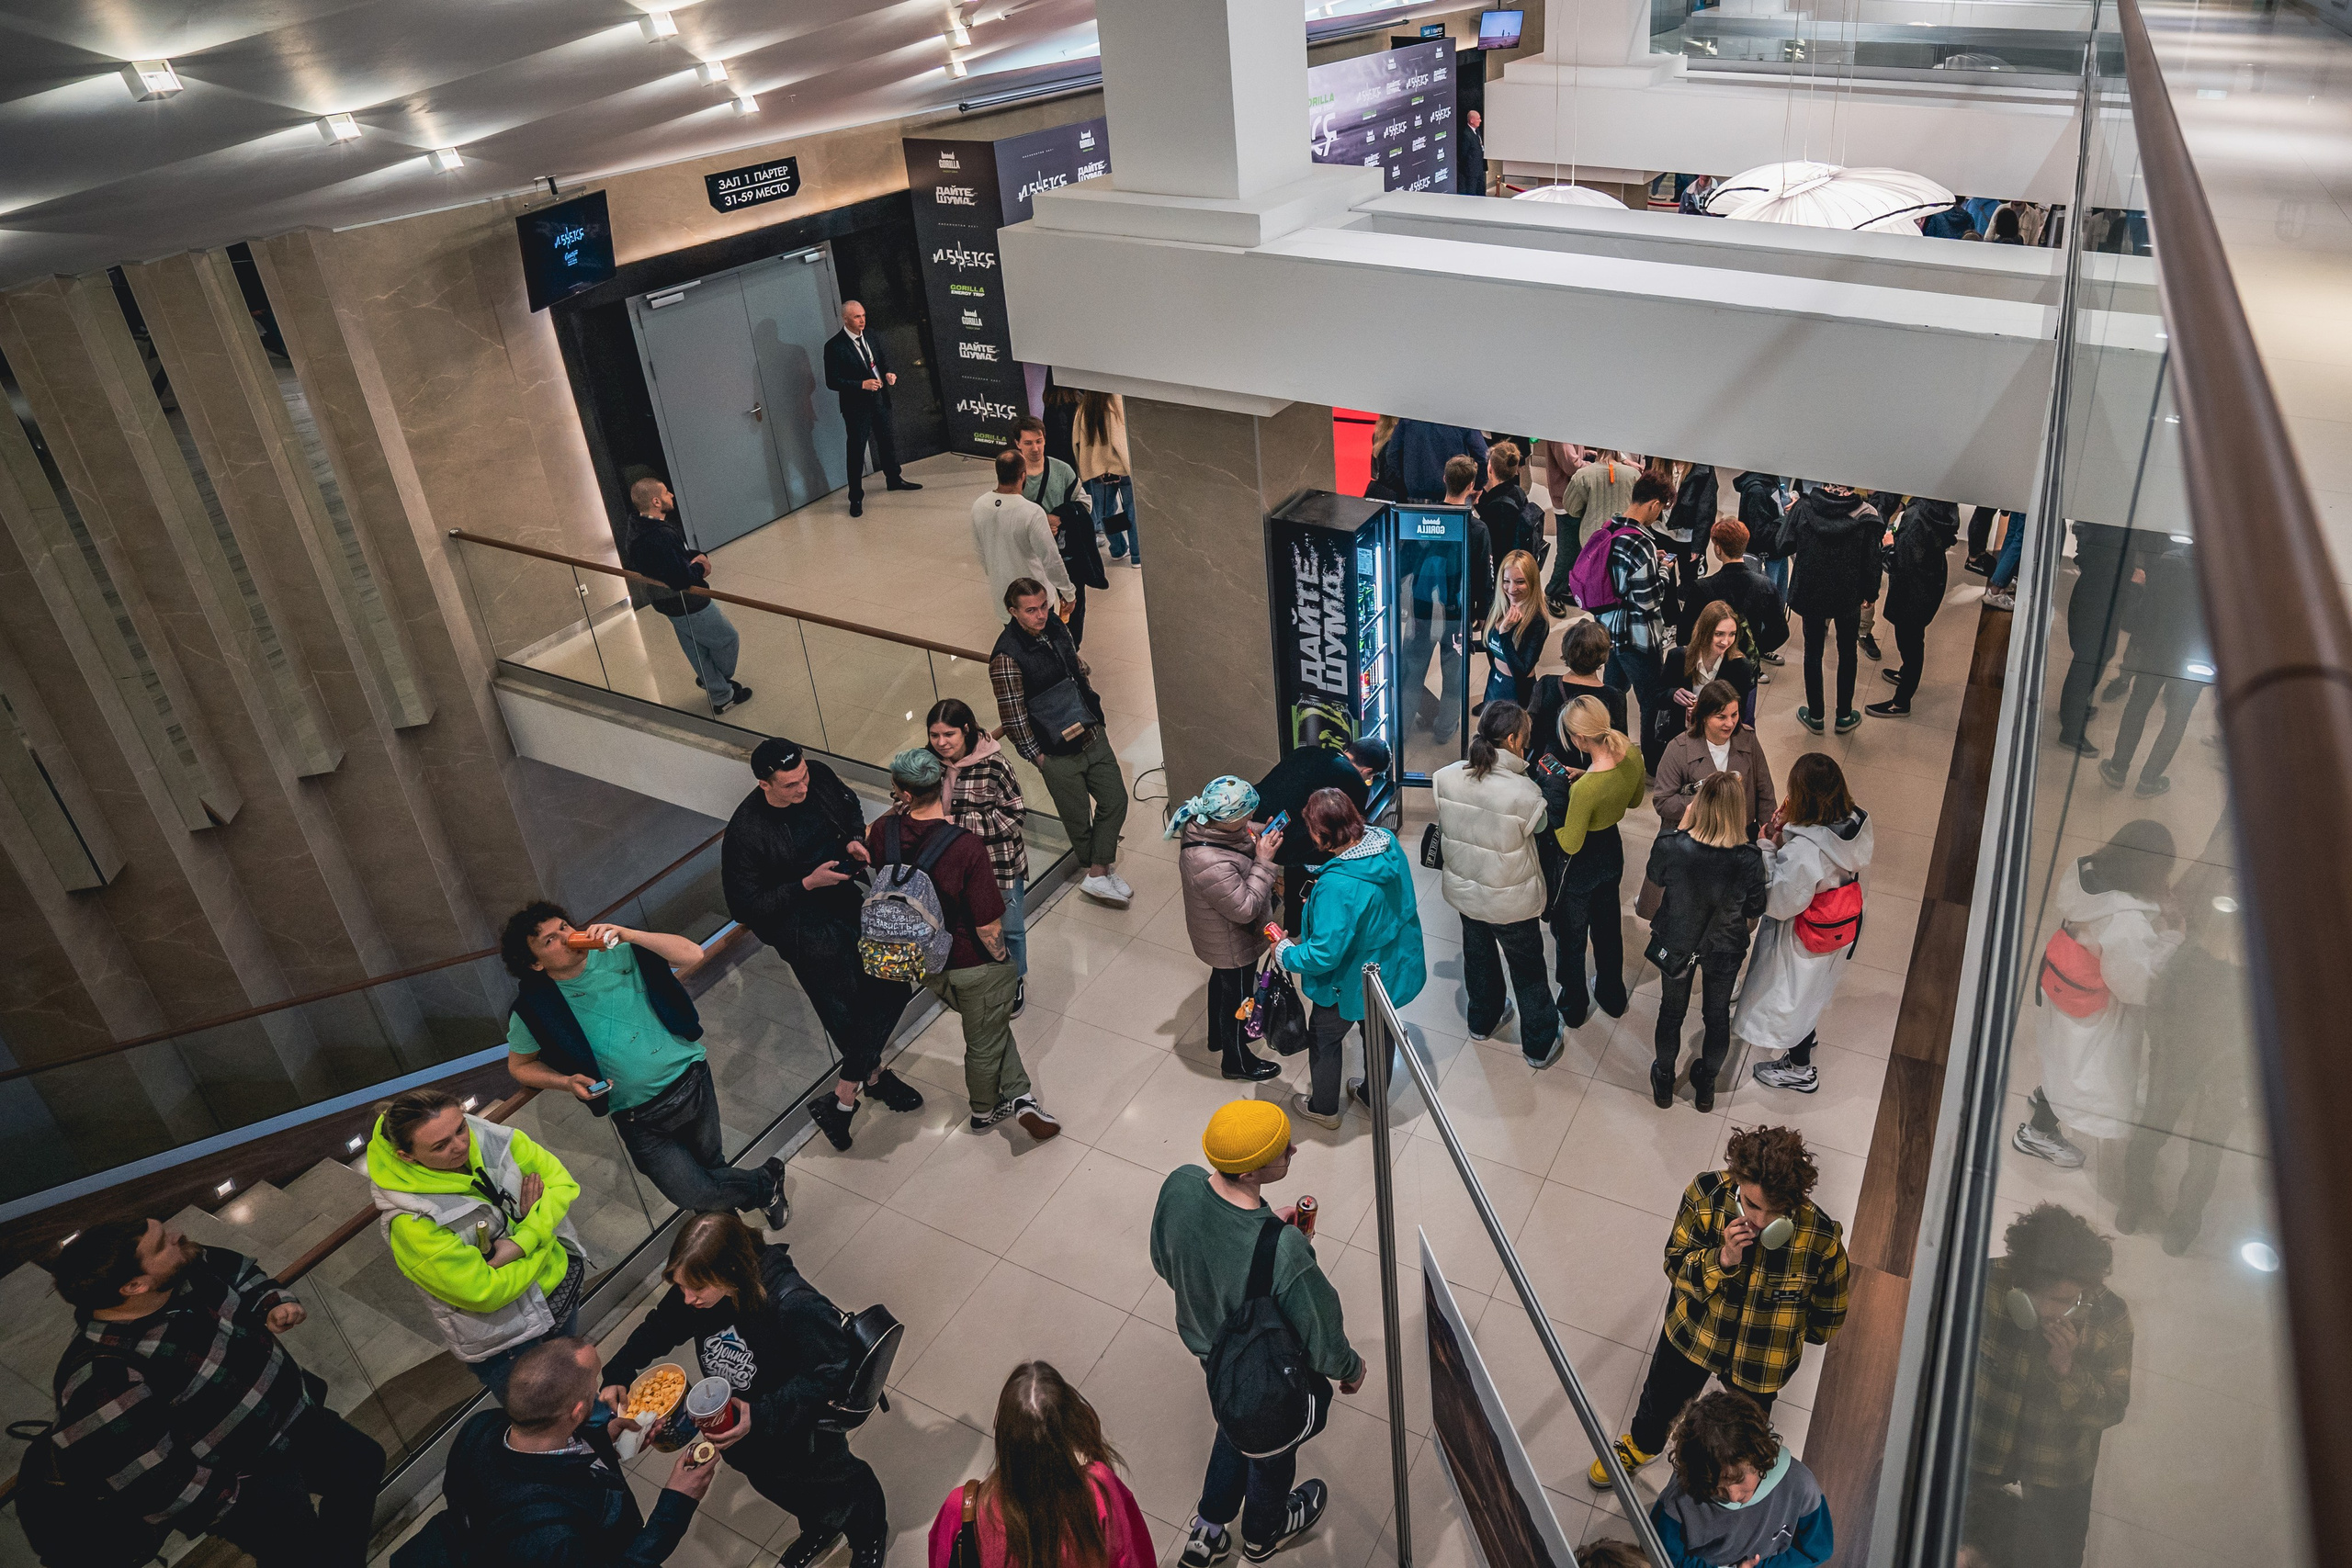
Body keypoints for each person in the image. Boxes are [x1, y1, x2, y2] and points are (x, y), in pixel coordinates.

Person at [46, 1219, 385, 1567]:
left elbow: (241, 1273)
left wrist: (271, 1302)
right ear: (134, 1286)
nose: (178, 1234)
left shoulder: (190, 1266)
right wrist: (239, 1497)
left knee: (363, 1463)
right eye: (162, 1244)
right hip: (251, 1482)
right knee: (299, 1556)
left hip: (298, 1422)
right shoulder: (101, 1377)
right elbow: (148, 1481)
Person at [603, 1214, 887, 1568]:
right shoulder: (697, 1291)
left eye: (697, 1289)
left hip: (798, 1429)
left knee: (836, 1481)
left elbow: (831, 1371)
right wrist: (618, 1370)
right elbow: (661, 1326)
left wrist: (761, 1413)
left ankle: (870, 1532)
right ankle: (820, 1528)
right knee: (779, 1486)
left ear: (732, 1272)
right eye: (680, 1287)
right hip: (744, 1435)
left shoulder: (791, 1302)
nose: (687, 1298)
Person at [1151, 1101, 1364, 1565]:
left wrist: (1265, 1225)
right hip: (1268, 1375)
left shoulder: (1180, 1186)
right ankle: (1262, 1535)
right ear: (1249, 1172)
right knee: (1270, 1453)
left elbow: (1164, 1261)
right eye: (1280, 1150)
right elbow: (1322, 1333)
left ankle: (1208, 1528)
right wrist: (1351, 1368)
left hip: (1212, 1359)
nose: (1292, 1149)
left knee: (1234, 1424)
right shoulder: (1285, 1251)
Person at [502, 902, 789, 1228]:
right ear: (535, 963)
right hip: (637, 1116)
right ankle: (765, 1185)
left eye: (564, 927)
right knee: (692, 1192)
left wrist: (629, 934)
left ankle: (738, 1255)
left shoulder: (621, 950)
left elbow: (692, 955)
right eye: (549, 940)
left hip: (690, 1080)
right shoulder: (533, 1006)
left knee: (712, 1172)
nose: (566, 937)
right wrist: (566, 1082)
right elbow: (520, 1066)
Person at [1589, 1127, 1849, 1485]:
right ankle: (1642, 1446)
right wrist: (1723, 1258)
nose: (1760, 1222)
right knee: (1661, 1398)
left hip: (1759, 1362)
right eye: (1754, 1205)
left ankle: (1732, 1479)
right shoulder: (1706, 1197)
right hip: (1692, 1334)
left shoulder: (1820, 1238)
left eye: (1775, 1212)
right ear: (1738, 1181)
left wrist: (1789, 1340)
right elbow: (1675, 1265)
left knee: (1746, 1432)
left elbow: (1829, 1313)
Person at [723, 737, 923, 1151]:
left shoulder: (820, 778)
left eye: (804, 777)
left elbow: (848, 807)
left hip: (843, 897)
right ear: (765, 784)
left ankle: (843, 1096)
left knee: (892, 984)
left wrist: (853, 838)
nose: (802, 788)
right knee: (844, 1004)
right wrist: (806, 884)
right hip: (800, 925)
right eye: (791, 785)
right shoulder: (747, 831)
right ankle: (873, 1077)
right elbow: (745, 906)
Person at [869, 747, 1061, 1140]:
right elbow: (989, 925)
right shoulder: (964, 846)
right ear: (942, 786)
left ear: (901, 792)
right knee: (982, 1038)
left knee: (988, 1027)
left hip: (918, 959)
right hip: (970, 962)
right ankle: (984, 1110)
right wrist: (1002, 962)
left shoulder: (881, 832)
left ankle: (1021, 1097)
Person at [434, 1336, 735, 1566]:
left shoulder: (481, 1425)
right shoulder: (551, 1538)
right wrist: (676, 1501)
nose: (598, 1390)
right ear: (577, 1412)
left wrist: (603, 1442)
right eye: (593, 1384)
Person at [366, 1087, 587, 1399]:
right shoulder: (411, 1223)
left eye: (460, 1128)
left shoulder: (489, 1136)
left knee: (579, 1393)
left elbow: (561, 1183)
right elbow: (485, 1291)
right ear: (407, 1156)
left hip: (560, 1291)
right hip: (511, 1339)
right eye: (441, 1146)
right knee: (548, 1418)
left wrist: (522, 1241)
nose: (461, 1146)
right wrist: (541, 1232)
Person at [1963, 1205, 2132, 1568]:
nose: (2069, 1310)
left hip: (2058, 1462)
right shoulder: (1983, 1283)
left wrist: (2067, 1371)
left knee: (2059, 1558)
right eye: (2057, 1300)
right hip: (1981, 1444)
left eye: (2077, 1299)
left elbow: (2113, 1409)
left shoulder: (2108, 1316)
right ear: (2022, 1288)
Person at [2015, 820, 2179, 1168]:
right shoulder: (2126, 922)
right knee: (2086, 1077)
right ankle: (2038, 1132)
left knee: (2061, 1057)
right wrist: (2173, 933)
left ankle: (2047, 1095)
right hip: (2091, 1009)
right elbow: (2135, 985)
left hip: (2060, 986)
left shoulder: (2086, 871)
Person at [1274, 787, 1426, 1128]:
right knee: (1380, 1030)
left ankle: (1324, 1108)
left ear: (1323, 834)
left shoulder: (1337, 887)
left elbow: (1324, 954)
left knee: (1325, 1040)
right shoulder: (1385, 841)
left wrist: (1286, 953)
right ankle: (1373, 1097)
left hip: (1346, 984)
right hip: (1388, 970)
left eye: (1312, 829)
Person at [2118, 869, 2243, 1254]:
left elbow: (2158, 1006)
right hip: (2228, 1069)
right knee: (2207, 1150)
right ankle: (2180, 1231)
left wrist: (2164, 1048)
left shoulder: (2190, 955)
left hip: (2176, 1057)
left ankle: (2131, 1208)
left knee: (2152, 1127)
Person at [929, 1362, 1157, 1568]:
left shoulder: (962, 1508)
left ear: (1005, 1437)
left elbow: (942, 1560)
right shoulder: (1099, 1491)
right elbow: (1132, 1558)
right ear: (1069, 1426)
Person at [1432, 701, 1560, 1064]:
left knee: (1478, 958)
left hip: (1465, 891)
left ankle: (1482, 1020)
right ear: (1512, 738)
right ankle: (1539, 1043)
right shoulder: (1524, 793)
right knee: (1528, 971)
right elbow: (1541, 829)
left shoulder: (1446, 776)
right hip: (1510, 902)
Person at [991, 579, 1132, 905]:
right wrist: (1038, 757)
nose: (1040, 615)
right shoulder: (1006, 657)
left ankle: (1097, 871)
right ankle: (1100, 870)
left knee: (1116, 800)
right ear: (1013, 612)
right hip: (1054, 752)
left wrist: (1082, 675)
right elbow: (1013, 716)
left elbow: (1073, 661)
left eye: (1044, 606)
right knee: (1077, 817)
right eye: (1031, 610)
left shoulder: (1055, 625)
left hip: (1091, 732)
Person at [1739, 755, 1872, 1093]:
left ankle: (1799, 1068)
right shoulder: (1854, 821)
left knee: (1792, 996)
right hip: (1840, 922)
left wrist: (1768, 845)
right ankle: (1806, 1035)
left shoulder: (1805, 852)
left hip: (1805, 933)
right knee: (1813, 992)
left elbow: (1780, 902)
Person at [1643, 773, 1769, 1111]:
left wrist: (1682, 829)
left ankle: (1665, 1081)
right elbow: (1756, 907)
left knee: (1671, 1014)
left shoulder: (1672, 845)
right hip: (1725, 947)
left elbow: (1656, 876)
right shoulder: (1750, 858)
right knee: (1716, 1017)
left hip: (1677, 942)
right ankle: (1707, 1088)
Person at [1535, 694, 1645, 1030]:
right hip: (1611, 851)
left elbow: (1570, 842)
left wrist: (1553, 809)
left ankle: (1573, 1004)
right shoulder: (1633, 755)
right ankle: (1612, 994)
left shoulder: (1586, 791)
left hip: (1579, 866)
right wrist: (1588, 774)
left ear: (1579, 739)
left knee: (1571, 937)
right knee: (1608, 928)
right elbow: (1637, 799)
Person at [1171, 775, 1284, 1081]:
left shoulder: (1206, 823)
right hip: (1230, 943)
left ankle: (1217, 1037)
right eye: (1246, 815)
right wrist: (1264, 861)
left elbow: (1239, 838)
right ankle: (1236, 1060)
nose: (1251, 819)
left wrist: (1261, 834)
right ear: (1230, 819)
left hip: (1219, 938)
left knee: (1222, 983)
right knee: (1238, 1000)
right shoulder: (1208, 862)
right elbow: (1245, 909)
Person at [930, 697, 1034, 1014]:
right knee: (963, 927)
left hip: (997, 866)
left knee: (1010, 928)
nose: (941, 742)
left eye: (948, 735)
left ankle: (1014, 979)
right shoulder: (928, 764)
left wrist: (954, 824)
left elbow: (1014, 816)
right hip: (949, 868)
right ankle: (978, 981)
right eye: (935, 735)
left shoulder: (995, 764)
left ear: (966, 730)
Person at [1650, 1391, 1834, 1568]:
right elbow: (1661, 1554)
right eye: (1717, 1488)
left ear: (1759, 1456)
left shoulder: (1800, 1486)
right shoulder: (1681, 1494)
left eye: (1738, 1479)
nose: (1733, 1496)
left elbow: (1816, 1550)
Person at [624, 477, 751, 716]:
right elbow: (680, 578)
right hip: (686, 601)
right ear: (656, 501)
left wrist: (694, 556)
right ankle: (719, 685)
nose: (671, 495)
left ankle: (719, 691)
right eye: (666, 493)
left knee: (695, 646)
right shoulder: (660, 535)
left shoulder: (638, 526)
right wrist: (701, 567)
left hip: (663, 601)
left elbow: (671, 559)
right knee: (727, 639)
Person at [2096, 537, 2206, 795]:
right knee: (2177, 718)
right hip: (2195, 660)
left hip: (2156, 649)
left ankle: (2118, 768)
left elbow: (2147, 610)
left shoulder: (2170, 561)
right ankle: (2149, 781)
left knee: (2138, 705)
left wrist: (2138, 640)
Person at [1401, 455, 1493, 743]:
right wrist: (1482, 610)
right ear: (1471, 486)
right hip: (1458, 611)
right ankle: (1444, 729)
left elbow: (1405, 564)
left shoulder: (1421, 521)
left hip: (1422, 608)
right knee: (1454, 673)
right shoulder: (1476, 528)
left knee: (1413, 668)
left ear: (1444, 480)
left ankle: (1401, 727)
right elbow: (1482, 575)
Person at [1252, 738, 1385, 934]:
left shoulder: (1306, 751)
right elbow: (1348, 830)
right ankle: (1311, 928)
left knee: (1295, 873)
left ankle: (1292, 925)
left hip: (1257, 825)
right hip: (1294, 846)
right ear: (1367, 771)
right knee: (1313, 871)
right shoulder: (1355, 782)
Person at [1783, 483, 1883, 734]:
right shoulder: (1867, 513)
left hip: (1811, 592)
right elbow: (1872, 560)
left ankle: (1816, 716)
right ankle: (1844, 716)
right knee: (1848, 653)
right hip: (1848, 596)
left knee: (1813, 652)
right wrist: (1870, 593)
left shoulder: (1804, 507)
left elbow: (1783, 544)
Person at [2054, 521, 2145, 755]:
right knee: (2090, 657)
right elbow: (2093, 542)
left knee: (2098, 653)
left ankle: (2071, 709)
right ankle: (2071, 731)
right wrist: (2125, 572)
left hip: (2105, 588)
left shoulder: (2111, 512)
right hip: (2100, 590)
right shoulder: (2109, 515)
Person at [823, 299, 920, 517]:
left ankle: (894, 479)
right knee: (856, 451)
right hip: (857, 408)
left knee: (887, 441)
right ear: (845, 319)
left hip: (880, 400)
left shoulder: (872, 335)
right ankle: (855, 497)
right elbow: (832, 381)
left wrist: (888, 373)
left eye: (864, 315)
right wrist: (861, 385)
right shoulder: (834, 346)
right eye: (857, 317)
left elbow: (883, 361)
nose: (862, 320)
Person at [1868, 497, 1961, 716]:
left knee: (1910, 643)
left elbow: (1898, 562)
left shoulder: (1916, 516)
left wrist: (1889, 544)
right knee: (1914, 638)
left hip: (1913, 589)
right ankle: (1905, 674)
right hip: (1930, 580)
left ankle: (1901, 701)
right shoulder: (1944, 509)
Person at [1017, 414, 1105, 647]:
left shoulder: (1062, 470)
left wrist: (1059, 517)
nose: (1035, 448)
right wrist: (1040, 523)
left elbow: (1085, 503)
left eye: (1039, 441)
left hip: (1068, 553)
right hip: (1034, 558)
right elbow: (1009, 514)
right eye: (1028, 443)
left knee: (1074, 604)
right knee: (1039, 605)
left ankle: (1071, 649)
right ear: (1017, 444)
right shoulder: (1014, 475)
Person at [1651, 680, 1774, 837]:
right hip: (1699, 835)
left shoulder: (1748, 738)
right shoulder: (1678, 749)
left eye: (1734, 714)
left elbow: (1765, 791)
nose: (1730, 723)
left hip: (1741, 834)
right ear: (1703, 717)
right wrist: (1710, 802)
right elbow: (1663, 801)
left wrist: (1769, 833)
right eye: (1721, 717)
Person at [973, 448, 1077, 621]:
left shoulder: (979, 505)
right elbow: (1050, 559)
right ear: (1023, 475)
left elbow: (980, 552)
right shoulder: (1032, 512)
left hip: (1004, 599)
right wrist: (1068, 592)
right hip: (1037, 600)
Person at [1678, 519, 1788, 671]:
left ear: (1718, 549)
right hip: (1746, 668)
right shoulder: (1765, 586)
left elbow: (1683, 635)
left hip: (1710, 667)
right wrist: (1755, 648)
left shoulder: (1701, 589)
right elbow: (1780, 632)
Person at [1545, 452, 1647, 610]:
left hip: (1592, 538)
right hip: (1624, 539)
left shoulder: (1583, 475)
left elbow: (1571, 507)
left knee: (1594, 577)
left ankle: (1596, 604)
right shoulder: (1634, 475)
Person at [1657, 602, 1758, 761]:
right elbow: (1657, 697)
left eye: (1732, 634)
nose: (1726, 641)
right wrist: (1673, 694)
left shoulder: (1740, 667)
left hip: (1718, 742)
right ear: (1704, 631)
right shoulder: (1678, 657)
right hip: (1681, 738)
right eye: (1719, 634)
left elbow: (1740, 713)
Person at [1527, 618, 1627, 775]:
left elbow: (1531, 732)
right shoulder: (1614, 697)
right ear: (1604, 655)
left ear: (1565, 650)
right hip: (1591, 772)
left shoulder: (1546, 684)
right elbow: (1619, 746)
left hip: (1549, 767)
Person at [1076, 389, 1139, 565]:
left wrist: (1086, 467)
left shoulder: (1084, 406)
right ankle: (1137, 555)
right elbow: (1120, 439)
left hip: (1097, 470)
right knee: (1133, 511)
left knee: (1105, 513)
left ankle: (1117, 549)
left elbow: (1078, 441)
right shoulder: (1117, 401)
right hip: (1122, 468)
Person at [1480, 548, 1549, 708]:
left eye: (1520, 582)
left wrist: (1505, 633)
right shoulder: (1500, 606)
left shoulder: (1538, 621)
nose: (1511, 589)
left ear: (1532, 582)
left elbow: (1521, 672)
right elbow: (1493, 645)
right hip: (1494, 683)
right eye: (1506, 581)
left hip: (1517, 692)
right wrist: (1469, 645)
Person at [1659, 459, 1719, 623]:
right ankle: (1671, 620)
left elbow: (1707, 509)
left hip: (1687, 538)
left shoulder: (1703, 468)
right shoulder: (1659, 461)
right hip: (1662, 535)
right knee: (1666, 578)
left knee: (1689, 581)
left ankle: (1688, 622)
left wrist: (1699, 544)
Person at [1387, 419, 1488, 503]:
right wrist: (1477, 485)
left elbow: (1392, 455)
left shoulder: (1409, 418)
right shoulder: (1461, 418)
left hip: (1416, 494)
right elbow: (1483, 456)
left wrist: (1409, 479)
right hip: (1455, 495)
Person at [1476, 441, 1542, 565]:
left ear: (1490, 469)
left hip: (1501, 568)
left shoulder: (1497, 508)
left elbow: (1491, 548)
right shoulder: (1518, 492)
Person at [1731, 471, 1791, 605]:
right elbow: (1761, 532)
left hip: (1778, 551)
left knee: (1778, 601)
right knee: (1767, 604)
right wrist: (1786, 521)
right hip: (1767, 557)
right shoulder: (1756, 490)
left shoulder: (1771, 480)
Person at [1458, 107, 1487, 195]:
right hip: (1471, 171)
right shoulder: (1466, 134)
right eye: (1478, 119)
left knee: (1481, 191)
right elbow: (1463, 154)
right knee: (1471, 192)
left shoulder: (1477, 131)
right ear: (1472, 120)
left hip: (1479, 169)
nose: (1480, 121)